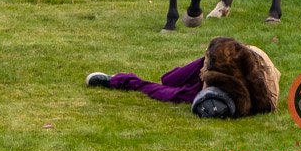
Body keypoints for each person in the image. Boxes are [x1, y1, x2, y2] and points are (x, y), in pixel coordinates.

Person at [85, 36, 281, 119]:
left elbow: (161, 85)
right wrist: (207, 66)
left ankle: (117, 80)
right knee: (170, 81)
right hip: (227, 64)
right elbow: (168, 79)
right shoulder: (221, 61)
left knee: (169, 88)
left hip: (226, 77)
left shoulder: (191, 94)